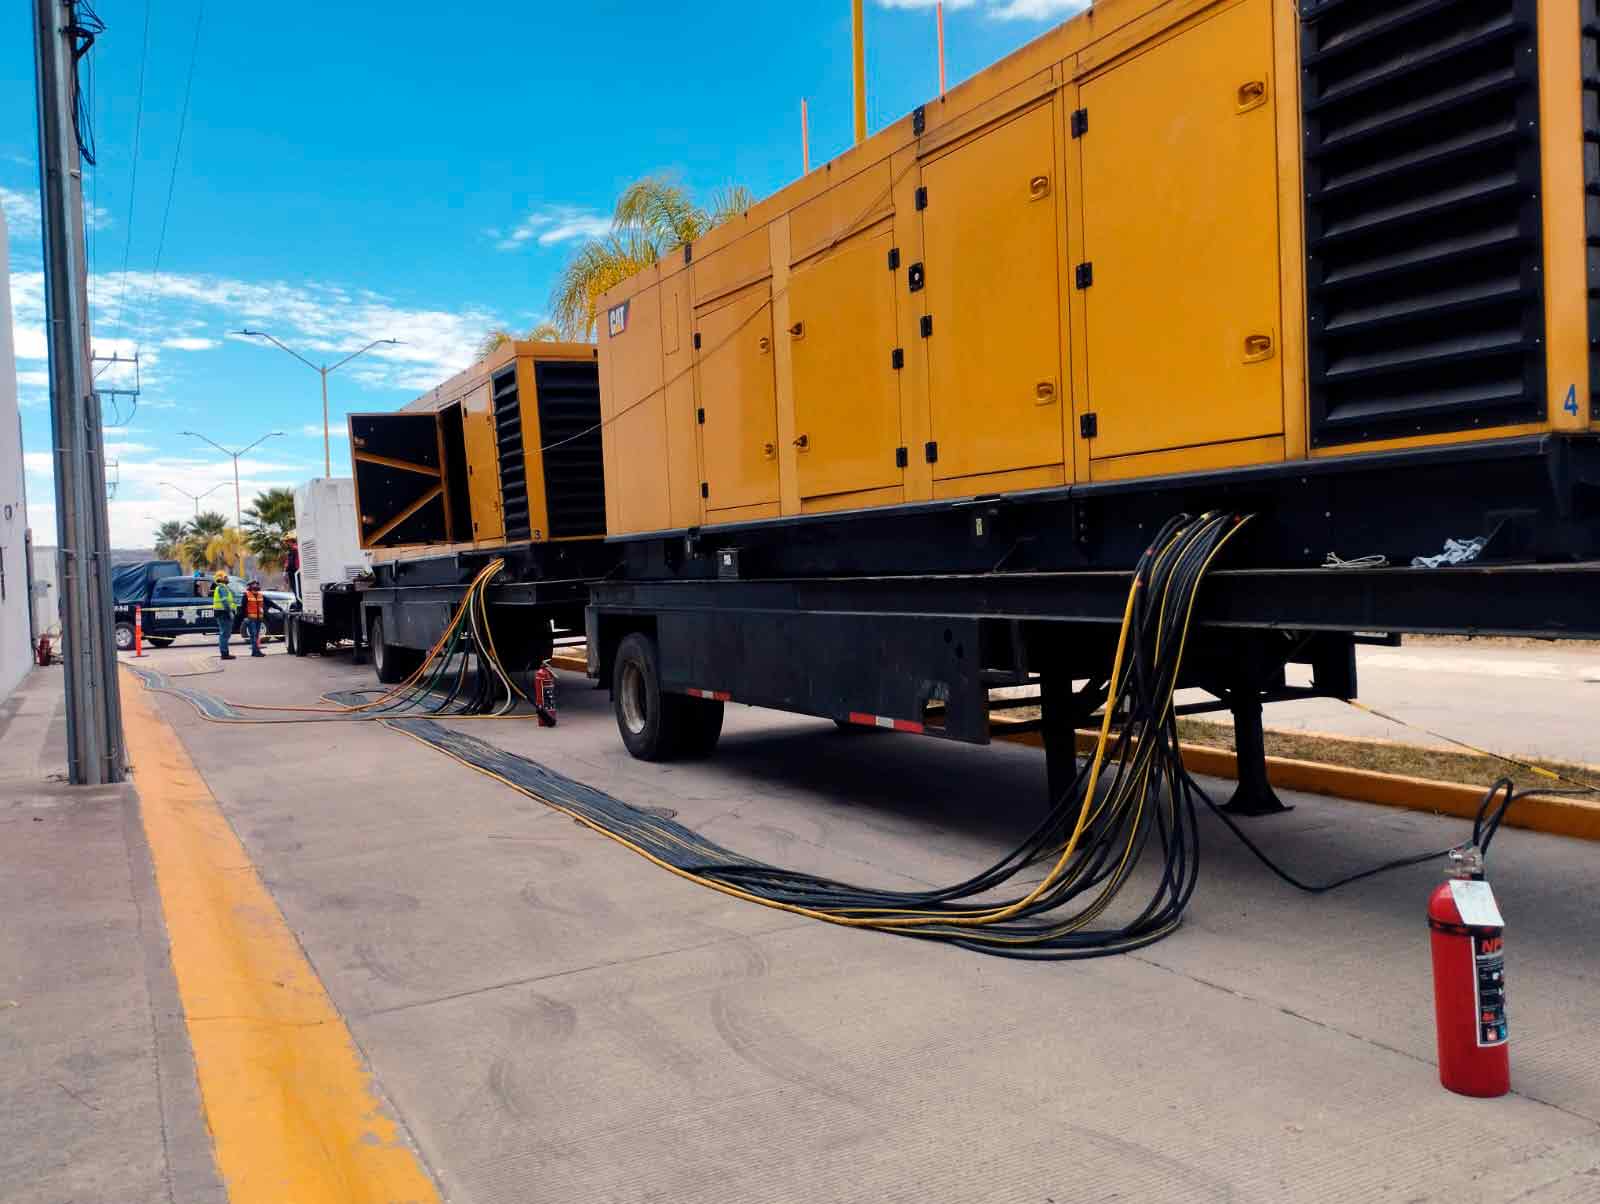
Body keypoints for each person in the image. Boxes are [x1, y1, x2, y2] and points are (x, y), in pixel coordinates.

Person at [241, 579, 280, 658]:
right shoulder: (246, 595)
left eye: (257, 584)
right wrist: (245, 617)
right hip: (251, 618)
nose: (256, 586)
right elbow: (242, 608)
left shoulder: (260, 595)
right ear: (250, 586)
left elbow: (270, 603)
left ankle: (255, 651)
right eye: (254, 584)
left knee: (256, 635)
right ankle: (256, 652)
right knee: (254, 635)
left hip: (259, 619)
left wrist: (279, 608)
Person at [211, 569, 238, 660]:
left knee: (225, 634)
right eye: (225, 577)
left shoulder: (223, 587)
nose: (227, 578)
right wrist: (230, 612)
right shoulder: (222, 588)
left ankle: (225, 653)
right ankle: (224, 654)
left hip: (222, 613)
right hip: (224, 613)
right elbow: (225, 601)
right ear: (221, 579)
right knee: (224, 634)